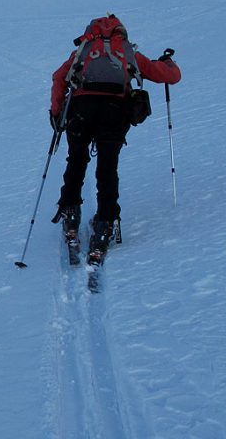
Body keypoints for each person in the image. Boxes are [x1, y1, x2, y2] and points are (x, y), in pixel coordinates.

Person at [48, 14, 181, 265]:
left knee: (76, 159)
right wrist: (170, 64)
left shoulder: (83, 51)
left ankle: (70, 213)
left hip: (80, 109)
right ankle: (106, 222)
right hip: (114, 110)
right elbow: (167, 75)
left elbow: (59, 77)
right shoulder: (127, 52)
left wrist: (56, 112)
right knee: (107, 167)